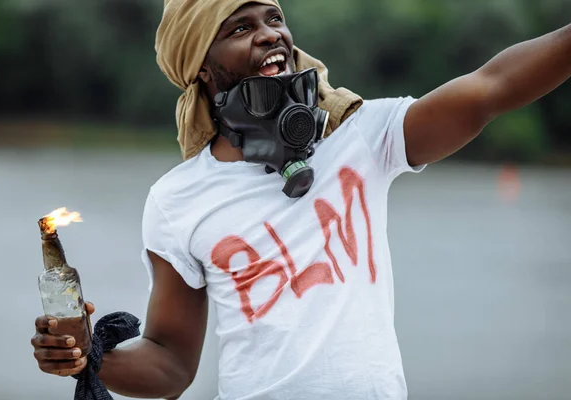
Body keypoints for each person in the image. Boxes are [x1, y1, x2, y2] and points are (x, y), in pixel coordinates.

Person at [31, 1, 570, 399]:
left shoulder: (362, 138)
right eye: (241, 28)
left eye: (274, 19)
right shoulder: (177, 199)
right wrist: (89, 359)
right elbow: (171, 363)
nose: (270, 35)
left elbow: (491, 88)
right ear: (200, 65)